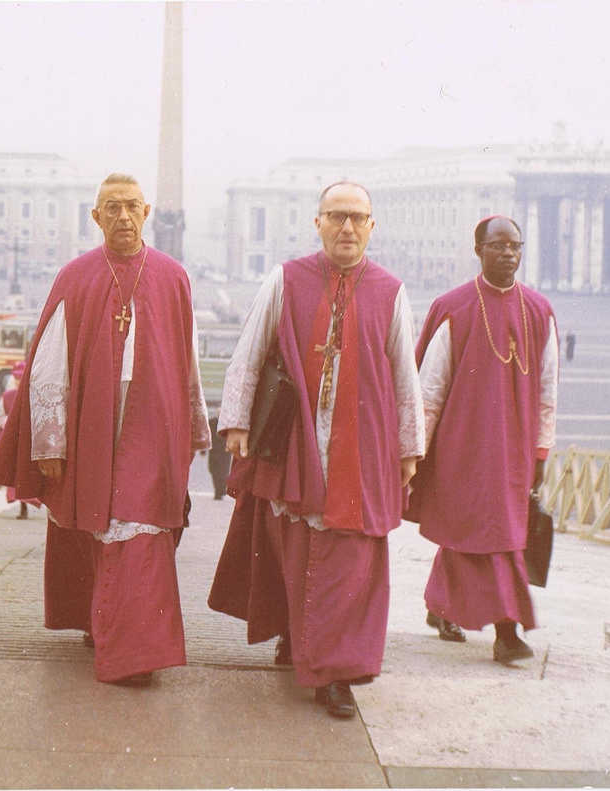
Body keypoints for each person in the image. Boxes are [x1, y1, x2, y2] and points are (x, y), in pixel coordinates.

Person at [207, 182, 425, 719]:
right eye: (337, 216)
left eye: (358, 218)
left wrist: (409, 447)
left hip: (363, 444)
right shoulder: (285, 279)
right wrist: (235, 422)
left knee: (349, 561)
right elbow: (250, 351)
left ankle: (338, 673)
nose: (347, 227)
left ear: (372, 226)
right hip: (294, 440)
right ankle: (298, 637)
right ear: (318, 222)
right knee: (296, 551)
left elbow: (405, 375)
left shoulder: (391, 291)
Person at [0, 173, 211, 686]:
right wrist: (49, 439)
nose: (123, 217)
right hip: (92, 420)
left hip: (153, 426)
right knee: (94, 520)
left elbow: (189, 357)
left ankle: (136, 651)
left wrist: (195, 429)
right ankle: (104, 622)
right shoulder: (76, 276)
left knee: (140, 528)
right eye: (111, 208)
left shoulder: (173, 276)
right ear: (95, 217)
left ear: (148, 211)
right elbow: (49, 363)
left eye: (132, 206)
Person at [410, 215, 557, 664]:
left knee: (495, 533)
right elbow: (430, 389)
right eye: (498, 246)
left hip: (514, 449)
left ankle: (461, 614)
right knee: (480, 530)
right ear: (479, 250)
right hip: (462, 445)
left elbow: (549, 388)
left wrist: (542, 448)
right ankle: (504, 631)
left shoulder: (539, 310)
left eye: (515, 245)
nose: (509, 254)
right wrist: (416, 450)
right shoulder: (454, 307)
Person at [0, 361, 40, 519]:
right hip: (18, 440)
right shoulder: (14, 395)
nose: (19, 380)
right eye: (17, 378)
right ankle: (23, 505)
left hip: (24, 440)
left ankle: (24, 504)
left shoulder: (29, 394)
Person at [206, 413, 231, 500]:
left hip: (224, 452)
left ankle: (219, 491)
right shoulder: (211, 422)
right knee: (213, 470)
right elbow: (207, 434)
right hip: (213, 451)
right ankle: (220, 490)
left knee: (223, 472)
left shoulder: (228, 423)